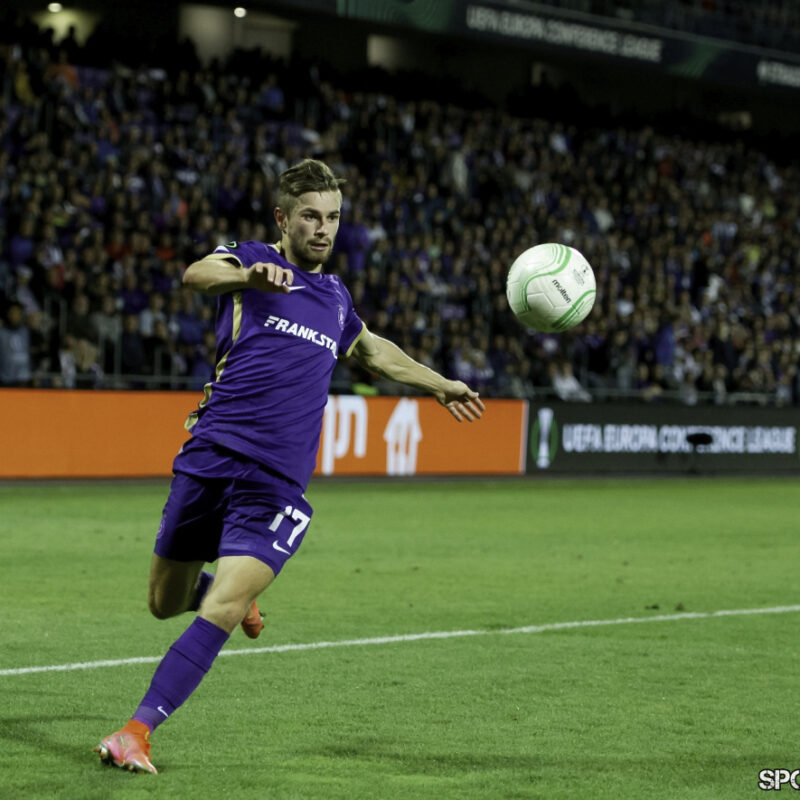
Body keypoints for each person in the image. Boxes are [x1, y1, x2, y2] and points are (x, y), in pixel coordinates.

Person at [94, 159, 485, 775]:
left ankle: (136, 730)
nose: (323, 228)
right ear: (284, 218)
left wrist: (439, 384)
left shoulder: (335, 298)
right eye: (311, 216)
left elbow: (372, 349)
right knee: (164, 602)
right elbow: (196, 274)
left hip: (275, 480)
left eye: (332, 217)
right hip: (211, 455)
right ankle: (226, 592)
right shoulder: (252, 262)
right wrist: (248, 272)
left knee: (219, 609)